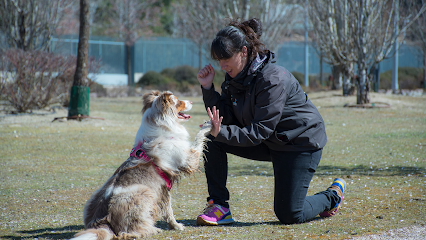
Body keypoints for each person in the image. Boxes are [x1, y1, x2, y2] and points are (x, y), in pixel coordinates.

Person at [195, 18, 346, 226]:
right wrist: (208, 88)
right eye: (218, 59)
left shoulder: (272, 79)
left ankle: (332, 196)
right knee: (211, 139)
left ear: (244, 52)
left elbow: (259, 131)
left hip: (299, 144)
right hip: (270, 142)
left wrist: (220, 132)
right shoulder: (234, 78)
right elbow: (226, 119)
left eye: (226, 58)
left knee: (290, 214)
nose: (222, 65)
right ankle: (219, 206)